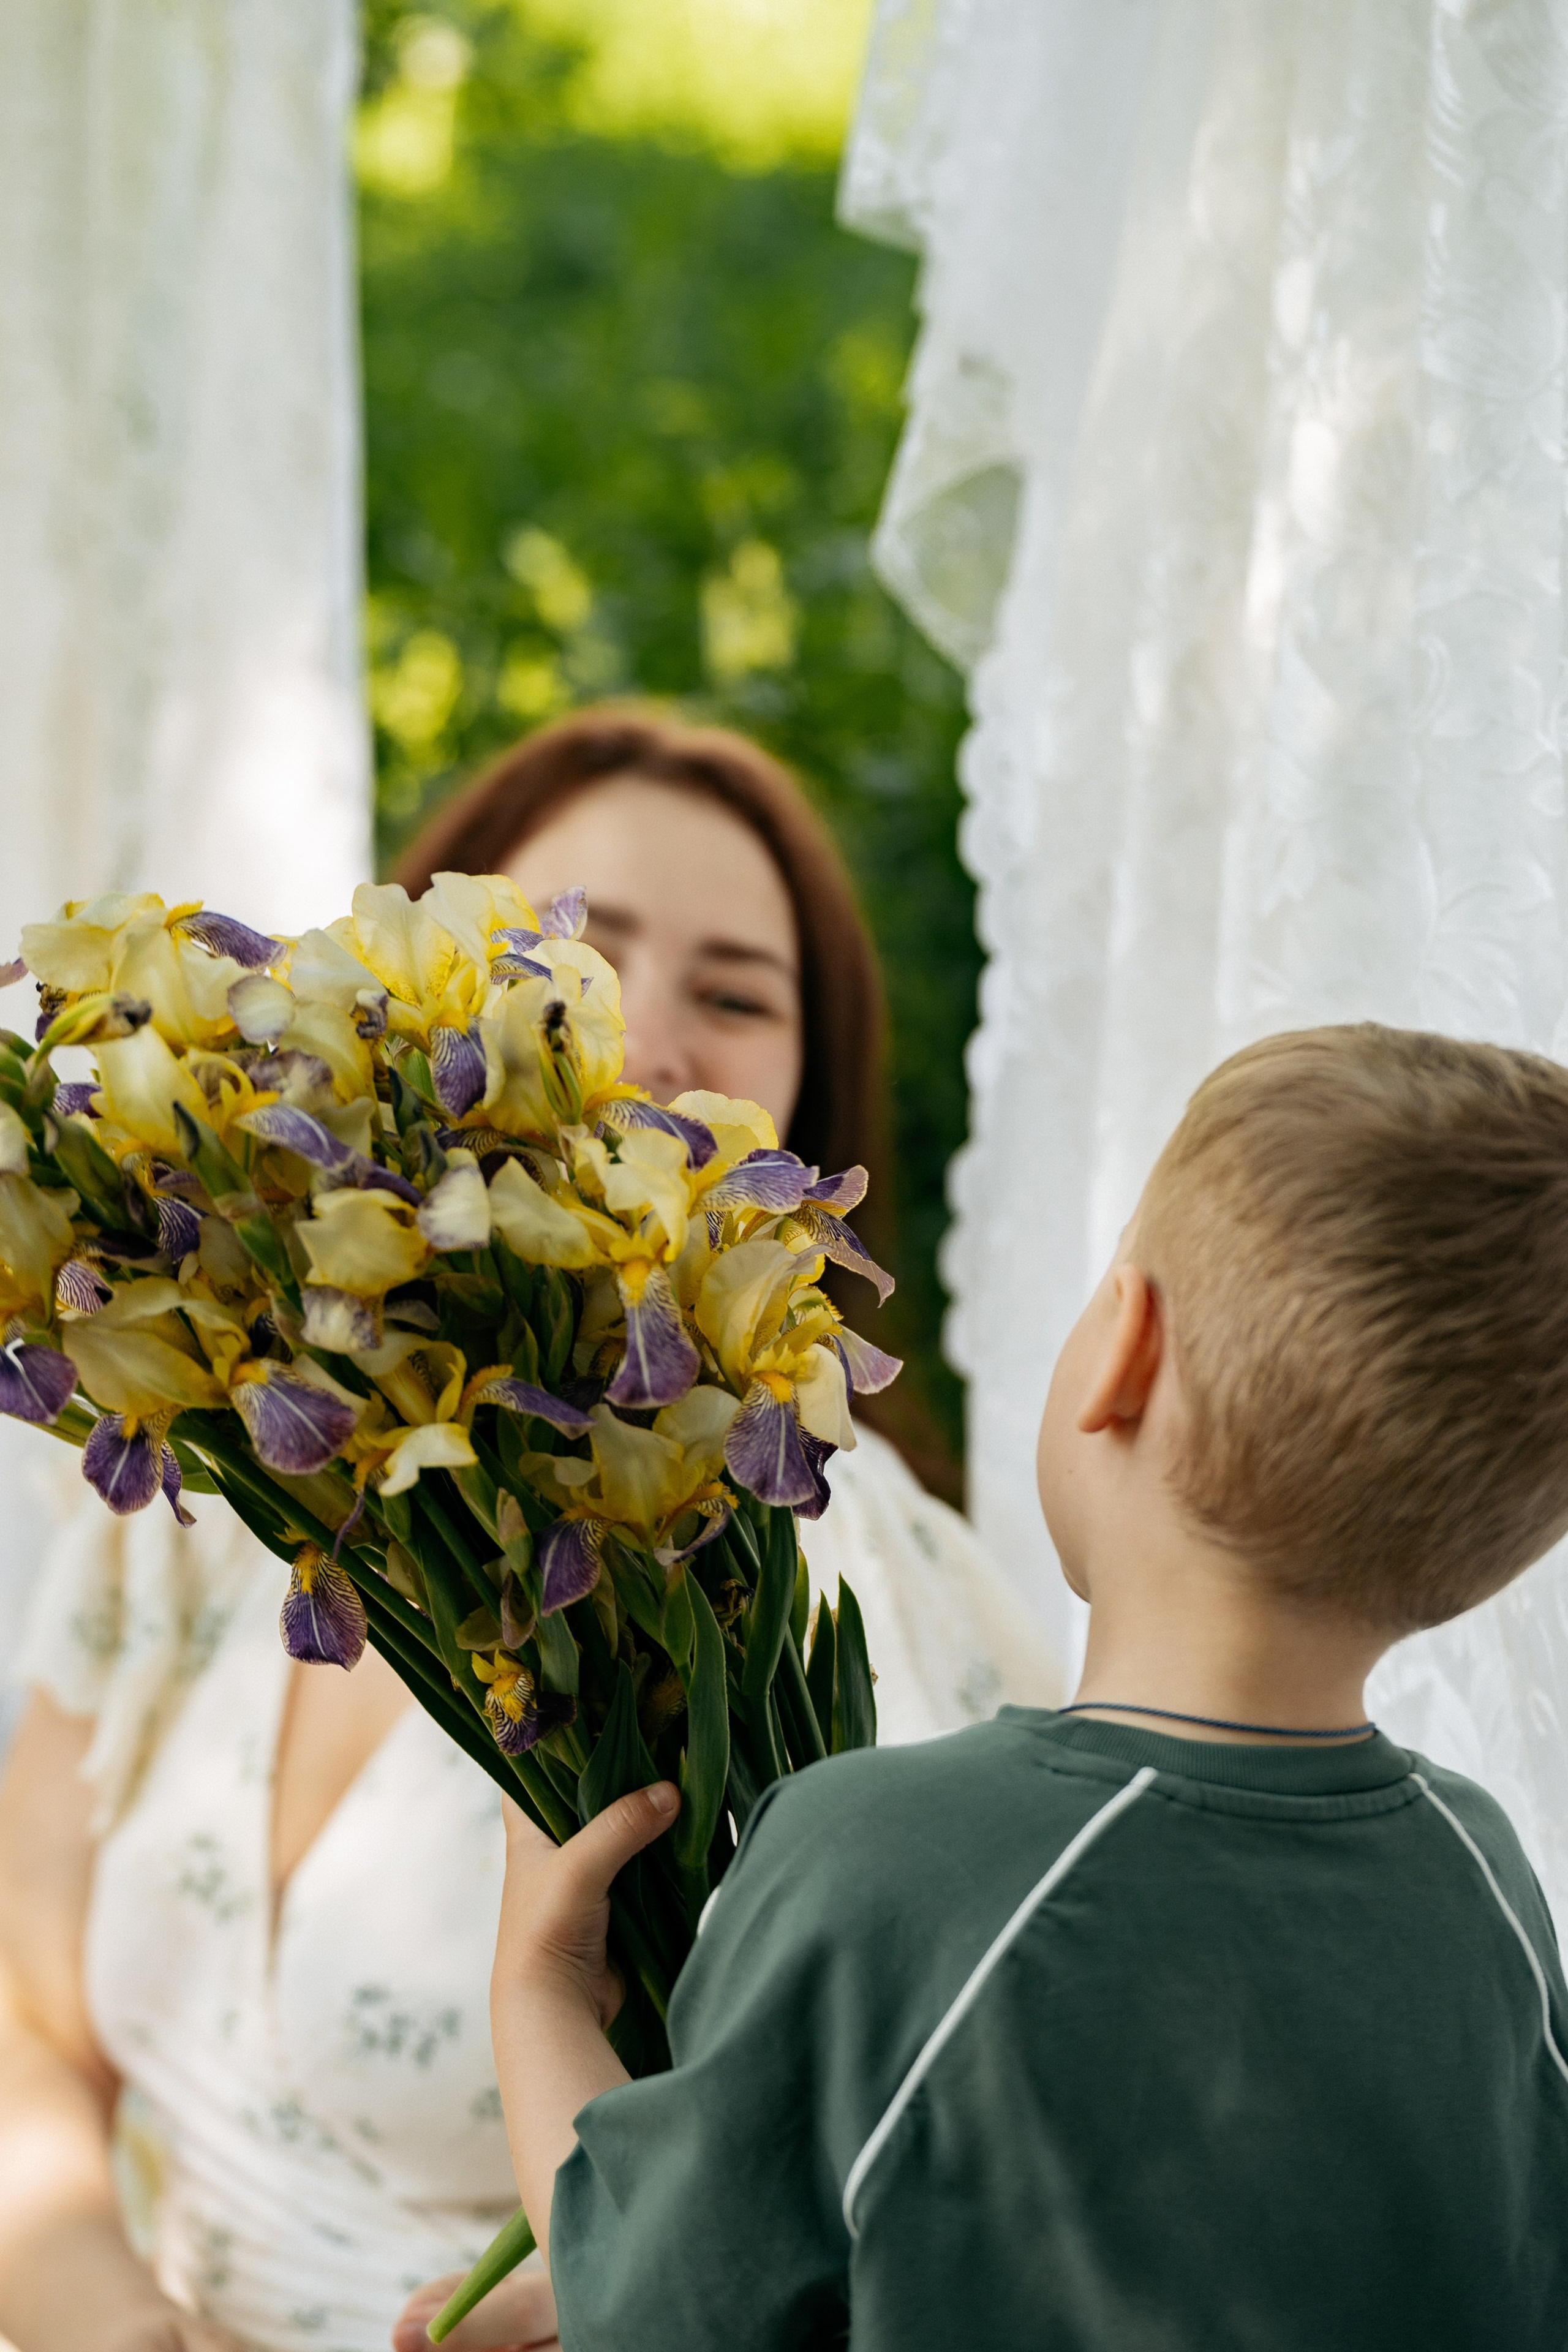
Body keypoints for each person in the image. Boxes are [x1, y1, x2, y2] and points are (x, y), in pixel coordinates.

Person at [0, 709, 1057, 2352]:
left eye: (739, 995)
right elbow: (24, 2015)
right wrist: (120, 2329)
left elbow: (872, 2196)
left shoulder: (834, 1579)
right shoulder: (219, 1458)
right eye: (573, 953)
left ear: (802, 1097)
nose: (637, 1032)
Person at [486, 1023, 1568, 2350]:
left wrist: (536, 1985)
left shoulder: (879, 1863)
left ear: (1123, 1348)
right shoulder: (1485, 1884)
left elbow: (655, 2312)